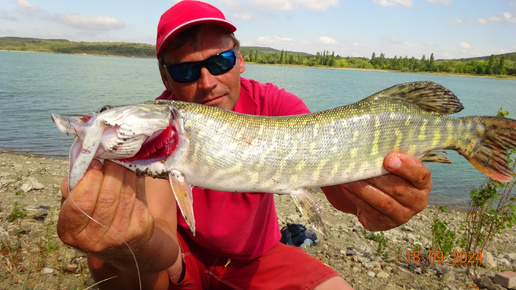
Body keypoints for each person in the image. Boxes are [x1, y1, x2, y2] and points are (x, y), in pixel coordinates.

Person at [57, 1, 432, 289]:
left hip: (257, 258)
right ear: (164, 76)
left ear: (239, 60)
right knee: (113, 265)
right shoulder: (154, 135)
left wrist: (375, 205)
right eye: (186, 70)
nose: (206, 82)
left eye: (219, 61)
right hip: (180, 259)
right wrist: (130, 243)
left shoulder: (277, 107)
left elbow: (337, 186)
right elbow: (164, 244)